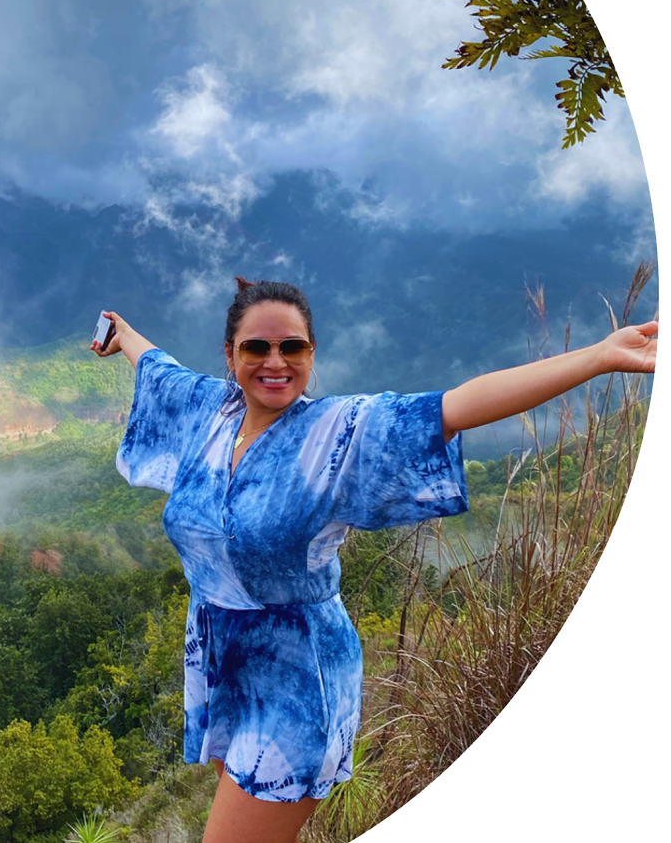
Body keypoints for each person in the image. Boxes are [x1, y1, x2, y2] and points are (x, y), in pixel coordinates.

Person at [91, 278, 657, 843]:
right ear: (230, 354)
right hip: (220, 661)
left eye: (293, 347)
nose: (275, 362)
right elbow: (158, 367)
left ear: (312, 353)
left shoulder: (335, 433)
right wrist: (125, 334)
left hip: (297, 679)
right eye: (256, 347)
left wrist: (600, 356)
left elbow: (454, 407)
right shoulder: (209, 411)